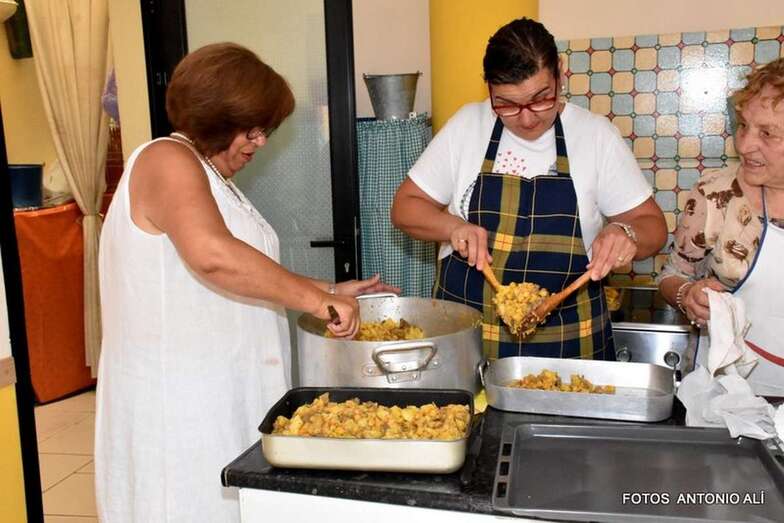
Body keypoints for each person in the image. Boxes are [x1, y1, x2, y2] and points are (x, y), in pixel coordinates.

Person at [95, 43, 397, 522]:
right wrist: (317, 301)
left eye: (265, 130)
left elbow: (243, 272)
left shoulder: (211, 176)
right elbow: (213, 256)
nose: (260, 142)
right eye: (250, 129)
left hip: (219, 392)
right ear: (215, 116)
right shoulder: (166, 159)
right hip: (180, 406)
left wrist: (330, 289)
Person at [391, 18, 666, 361]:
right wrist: (453, 227)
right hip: (468, 346)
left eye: (541, 99)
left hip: (571, 347)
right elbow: (406, 206)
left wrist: (626, 233)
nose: (526, 119)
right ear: (488, 88)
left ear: (560, 73)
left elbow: (653, 226)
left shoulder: (596, 137)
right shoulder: (468, 126)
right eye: (506, 104)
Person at [658, 57, 784, 397]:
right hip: (725, 396)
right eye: (743, 126)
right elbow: (672, 275)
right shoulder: (715, 194)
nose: (744, 145)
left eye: (767, 133)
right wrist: (687, 295)